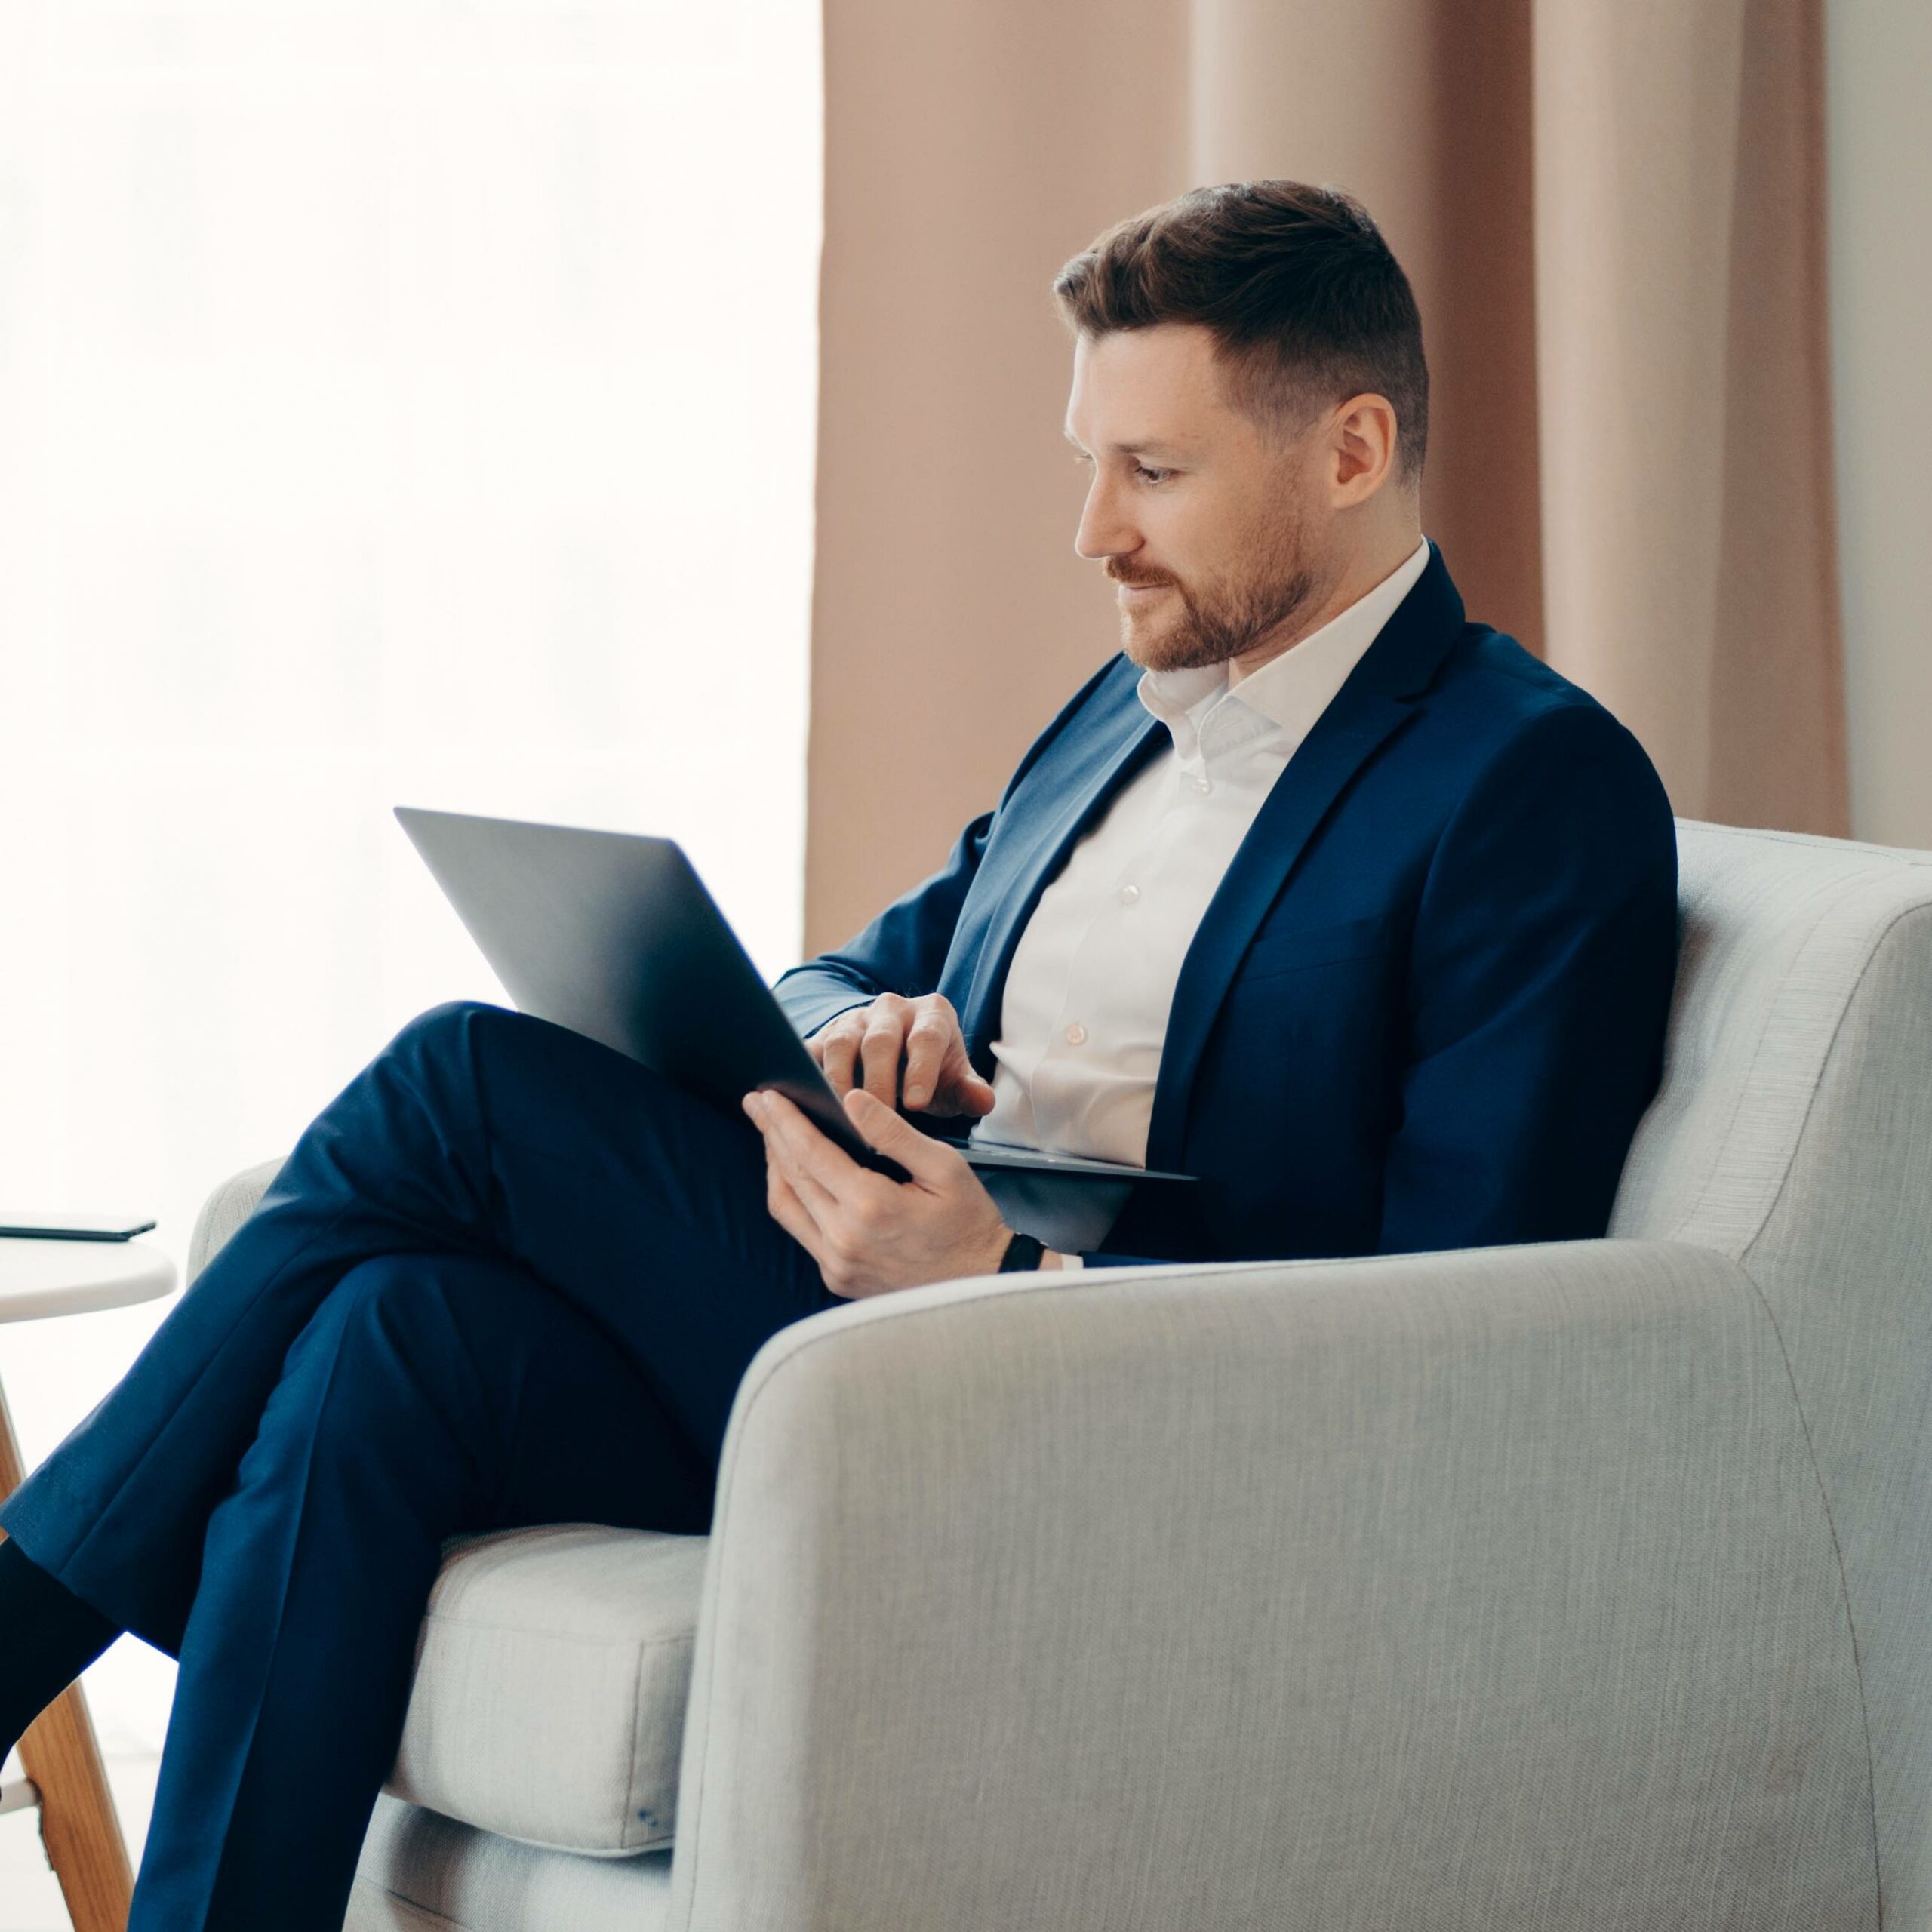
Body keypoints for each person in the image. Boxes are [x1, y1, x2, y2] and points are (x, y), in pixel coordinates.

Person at [0, 179, 1677, 1927]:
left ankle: (23, 1624)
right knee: (383, 1333)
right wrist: (863, 1027)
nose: (1093, 529)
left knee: (458, 1081)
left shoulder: (1524, 784)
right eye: (1085, 461)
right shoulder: (1126, 702)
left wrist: (1012, 1269)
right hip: (868, 1340)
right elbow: (851, 959)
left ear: (1349, 450)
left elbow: (1472, 1314)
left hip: (1119, 1425)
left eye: (1153, 473)